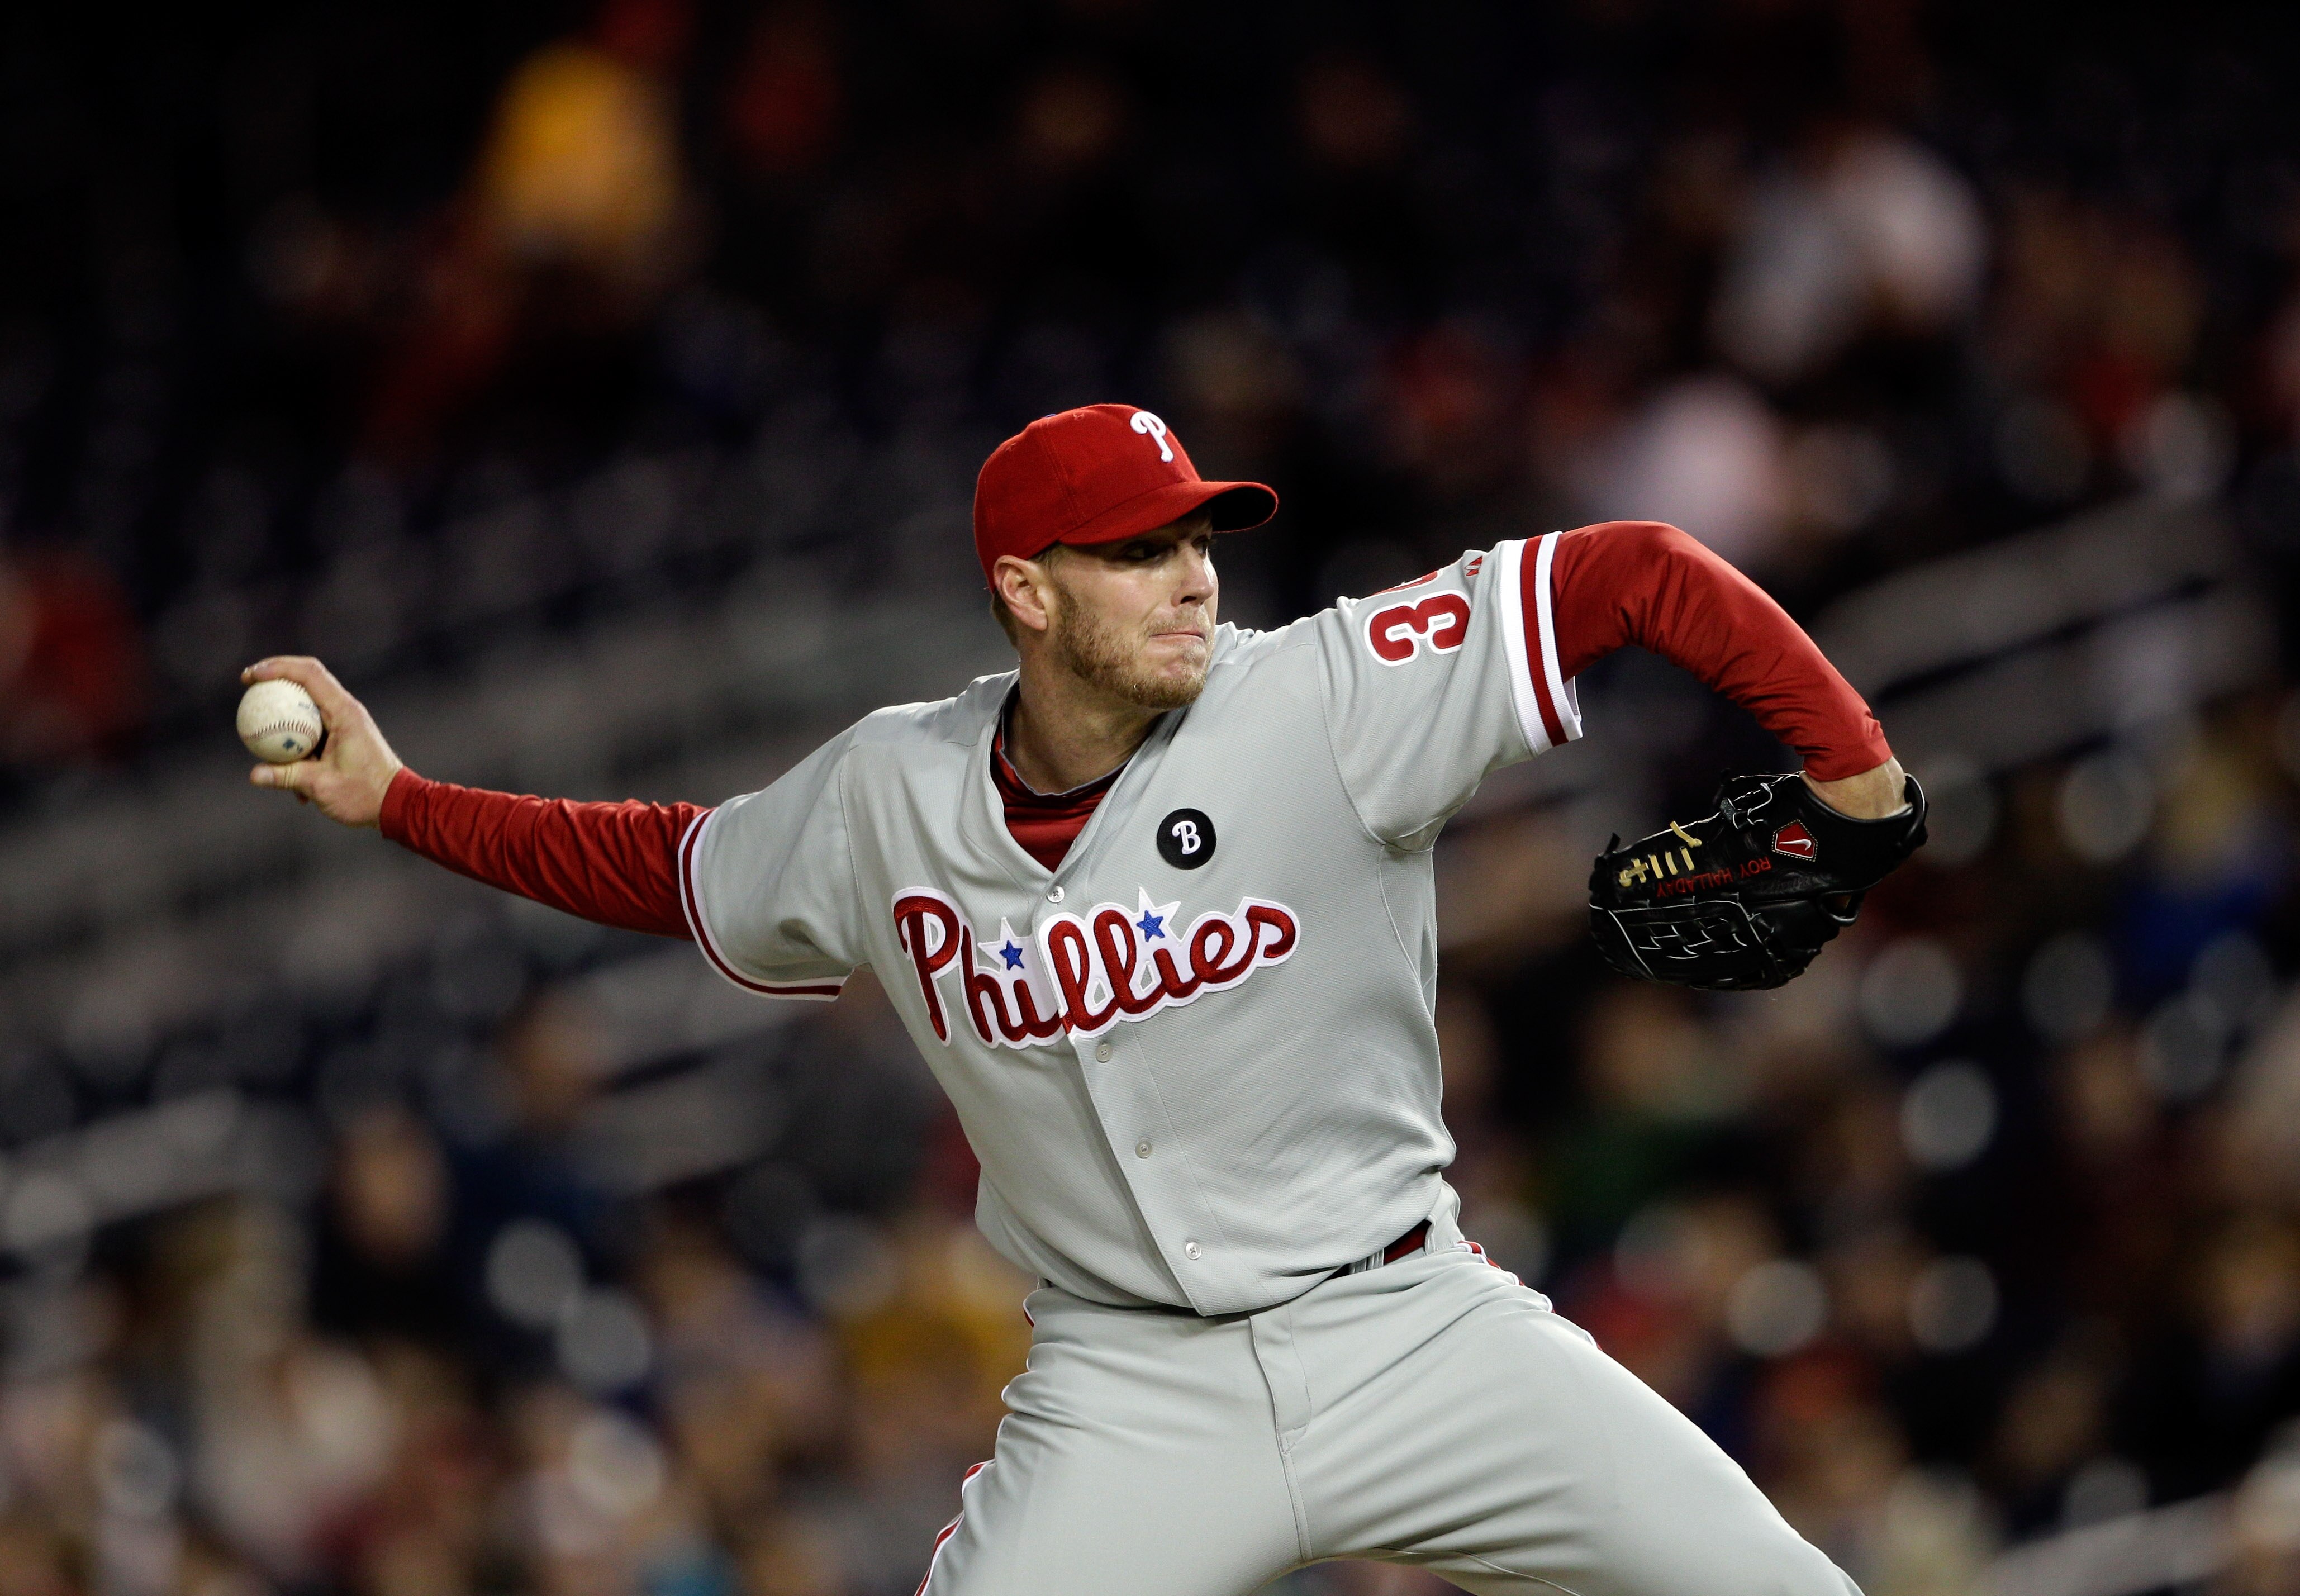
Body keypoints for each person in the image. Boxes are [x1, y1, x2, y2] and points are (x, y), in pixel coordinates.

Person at [246, 403, 1905, 1595]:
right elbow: (670, 867)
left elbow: (1638, 570)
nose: (1191, 575)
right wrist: (402, 801)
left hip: (1409, 1326)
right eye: (1136, 549)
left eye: (1195, 534)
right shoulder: (883, 795)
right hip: (1129, 1391)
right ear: (1025, 592)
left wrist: (1851, 784)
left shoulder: (1323, 695)